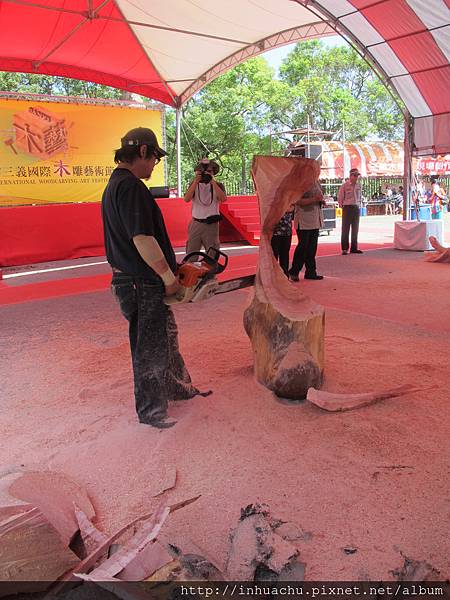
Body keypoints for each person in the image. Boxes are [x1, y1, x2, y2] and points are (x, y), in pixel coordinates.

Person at [101, 127, 209, 429]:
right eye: (154, 159)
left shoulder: (115, 185)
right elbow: (142, 238)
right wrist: (167, 277)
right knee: (149, 346)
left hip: (134, 279)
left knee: (167, 335)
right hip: (140, 280)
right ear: (144, 152)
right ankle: (151, 410)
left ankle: (178, 387)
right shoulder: (132, 187)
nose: (153, 166)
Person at [184, 159, 227, 257]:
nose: (207, 173)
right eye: (204, 171)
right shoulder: (194, 184)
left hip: (211, 225)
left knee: (212, 254)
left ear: (214, 173)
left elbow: (223, 199)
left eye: (210, 171)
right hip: (196, 223)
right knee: (191, 253)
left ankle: (211, 272)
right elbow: (186, 199)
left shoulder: (218, 185)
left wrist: (212, 182)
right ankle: (192, 271)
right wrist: (196, 181)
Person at [288, 182, 324, 281]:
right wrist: (314, 199)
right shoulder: (301, 182)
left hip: (315, 218)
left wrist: (321, 201)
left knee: (312, 248)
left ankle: (311, 271)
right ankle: (294, 271)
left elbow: (319, 197)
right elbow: (297, 201)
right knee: (303, 247)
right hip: (304, 219)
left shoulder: (317, 182)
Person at [338, 168, 363, 254]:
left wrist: (358, 206)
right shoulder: (345, 185)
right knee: (345, 228)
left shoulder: (358, 185)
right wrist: (342, 207)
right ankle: (344, 249)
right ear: (351, 176)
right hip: (347, 207)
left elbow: (359, 197)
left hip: (356, 207)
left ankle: (354, 248)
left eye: (357, 176)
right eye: (355, 176)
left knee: (355, 228)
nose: (356, 178)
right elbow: (340, 197)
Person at [271, 208, 294, 277]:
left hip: (287, 231)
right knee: (274, 255)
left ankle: (285, 275)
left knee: (285, 254)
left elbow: (292, 207)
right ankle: (273, 276)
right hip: (275, 231)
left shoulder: (289, 199)